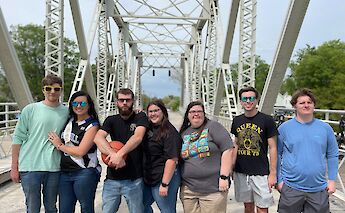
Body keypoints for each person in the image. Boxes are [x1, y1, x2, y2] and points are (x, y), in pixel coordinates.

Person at [11, 74, 69, 213]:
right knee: (32, 208)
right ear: (43, 90)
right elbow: (17, 138)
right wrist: (14, 167)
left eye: (56, 89)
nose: (52, 92)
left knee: (51, 207)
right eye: (48, 88)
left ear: (61, 90)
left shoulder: (67, 112)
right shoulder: (30, 110)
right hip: (30, 166)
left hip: (54, 166)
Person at [276, 88, 338, 213]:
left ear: (314, 105)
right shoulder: (284, 128)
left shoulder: (325, 128)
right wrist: (279, 180)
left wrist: (332, 180)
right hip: (291, 187)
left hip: (318, 188)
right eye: (302, 103)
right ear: (294, 106)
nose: (306, 105)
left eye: (309, 102)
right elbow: (276, 154)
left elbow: (332, 154)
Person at [94, 88, 148, 213]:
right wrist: (114, 154)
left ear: (132, 101)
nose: (124, 103)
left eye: (127, 100)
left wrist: (120, 154)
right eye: (121, 100)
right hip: (112, 179)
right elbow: (98, 138)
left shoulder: (140, 117)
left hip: (134, 179)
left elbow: (138, 137)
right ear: (116, 102)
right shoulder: (111, 120)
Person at [47, 91, 101, 213]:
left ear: (89, 105)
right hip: (65, 173)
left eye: (82, 103)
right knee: (64, 209)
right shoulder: (68, 121)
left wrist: (59, 145)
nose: (79, 106)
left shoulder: (93, 125)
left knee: (86, 208)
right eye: (75, 103)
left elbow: (81, 151)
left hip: (84, 172)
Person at [179, 101, 233, 213]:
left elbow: (228, 150)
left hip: (213, 190)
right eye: (193, 111)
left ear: (204, 113)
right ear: (188, 115)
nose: (196, 114)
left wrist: (224, 177)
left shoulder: (214, 127)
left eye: (199, 111)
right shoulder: (184, 133)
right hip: (189, 189)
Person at [230, 86, 278, 213]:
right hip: (241, 171)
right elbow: (236, 144)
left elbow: (273, 148)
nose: (248, 101)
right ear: (240, 101)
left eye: (251, 98)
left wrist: (273, 174)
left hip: (261, 172)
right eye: (244, 99)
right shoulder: (237, 120)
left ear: (256, 100)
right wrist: (231, 167)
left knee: (262, 207)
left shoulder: (267, 120)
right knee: (248, 206)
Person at [143, 100, 182, 213]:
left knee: (167, 210)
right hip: (149, 175)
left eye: (156, 110)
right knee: (142, 205)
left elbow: (172, 159)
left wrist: (165, 184)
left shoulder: (170, 132)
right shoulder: (148, 127)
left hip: (166, 177)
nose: (153, 114)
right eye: (150, 111)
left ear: (163, 112)